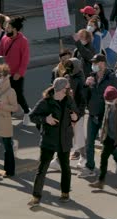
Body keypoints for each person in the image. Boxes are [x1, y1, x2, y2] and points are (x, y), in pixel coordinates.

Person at [28, 78, 79, 207]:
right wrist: (45, 119)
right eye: (68, 88)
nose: (69, 90)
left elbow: (76, 113)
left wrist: (75, 117)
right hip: (49, 140)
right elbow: (32, 116)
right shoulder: (46, 102)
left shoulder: (69, 100)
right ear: (62, 89)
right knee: (42, 169)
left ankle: (65, 193)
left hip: (65, 139)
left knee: (66, 168)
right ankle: (36, 196)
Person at [80, 54, 117, 178]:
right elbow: (85, 96)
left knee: (107, 141)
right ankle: (90, 167)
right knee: (90, 142)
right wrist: (85, 85)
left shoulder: (111, 78)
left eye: (96, 63)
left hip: (105, 115)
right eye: (93, 63)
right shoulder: (91, 77)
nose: (94, 65)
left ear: (103, 63)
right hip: (93, 113)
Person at [0, 16, 31, 126]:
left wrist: (20, 73)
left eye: (8, 27)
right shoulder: (4, 39)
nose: (6, 29)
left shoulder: (23, 41)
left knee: (18, 95)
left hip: (17, 74)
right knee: (6, 95)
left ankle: (27, 112)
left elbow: (25, 59)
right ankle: (8, 114)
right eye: (6, 27)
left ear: (15, 29)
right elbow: (0, 55)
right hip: (5, 74)